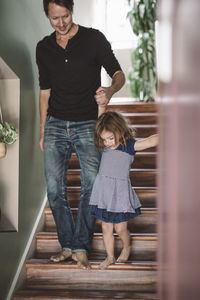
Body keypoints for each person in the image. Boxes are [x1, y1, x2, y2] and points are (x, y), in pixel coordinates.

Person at [36, 0, 125, 269]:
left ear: (72, 11)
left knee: (92, 185)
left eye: (65, 16)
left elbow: (118, 74)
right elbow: (44, 93)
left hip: (88, 123)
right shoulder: (43, 47)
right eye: (54, 18)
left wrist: (109, 91)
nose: (60, 23)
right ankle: (67, 245)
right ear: (47, 16)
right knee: (54, 189)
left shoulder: (93, 38)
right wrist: (43, 130)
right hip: (55, 123)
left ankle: (81, 246)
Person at [89, 111, 159, 269]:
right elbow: (100, 117)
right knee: (105, 226)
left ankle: (127, 247)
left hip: (119, 194)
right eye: (104, 139)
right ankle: (110, 256)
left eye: (111, 138)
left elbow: (149, 141)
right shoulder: (104, 147)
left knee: (120, 228)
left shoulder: (128, 146)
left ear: (120, 131)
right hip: (104, 193)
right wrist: (101, 105)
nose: (107, 142)